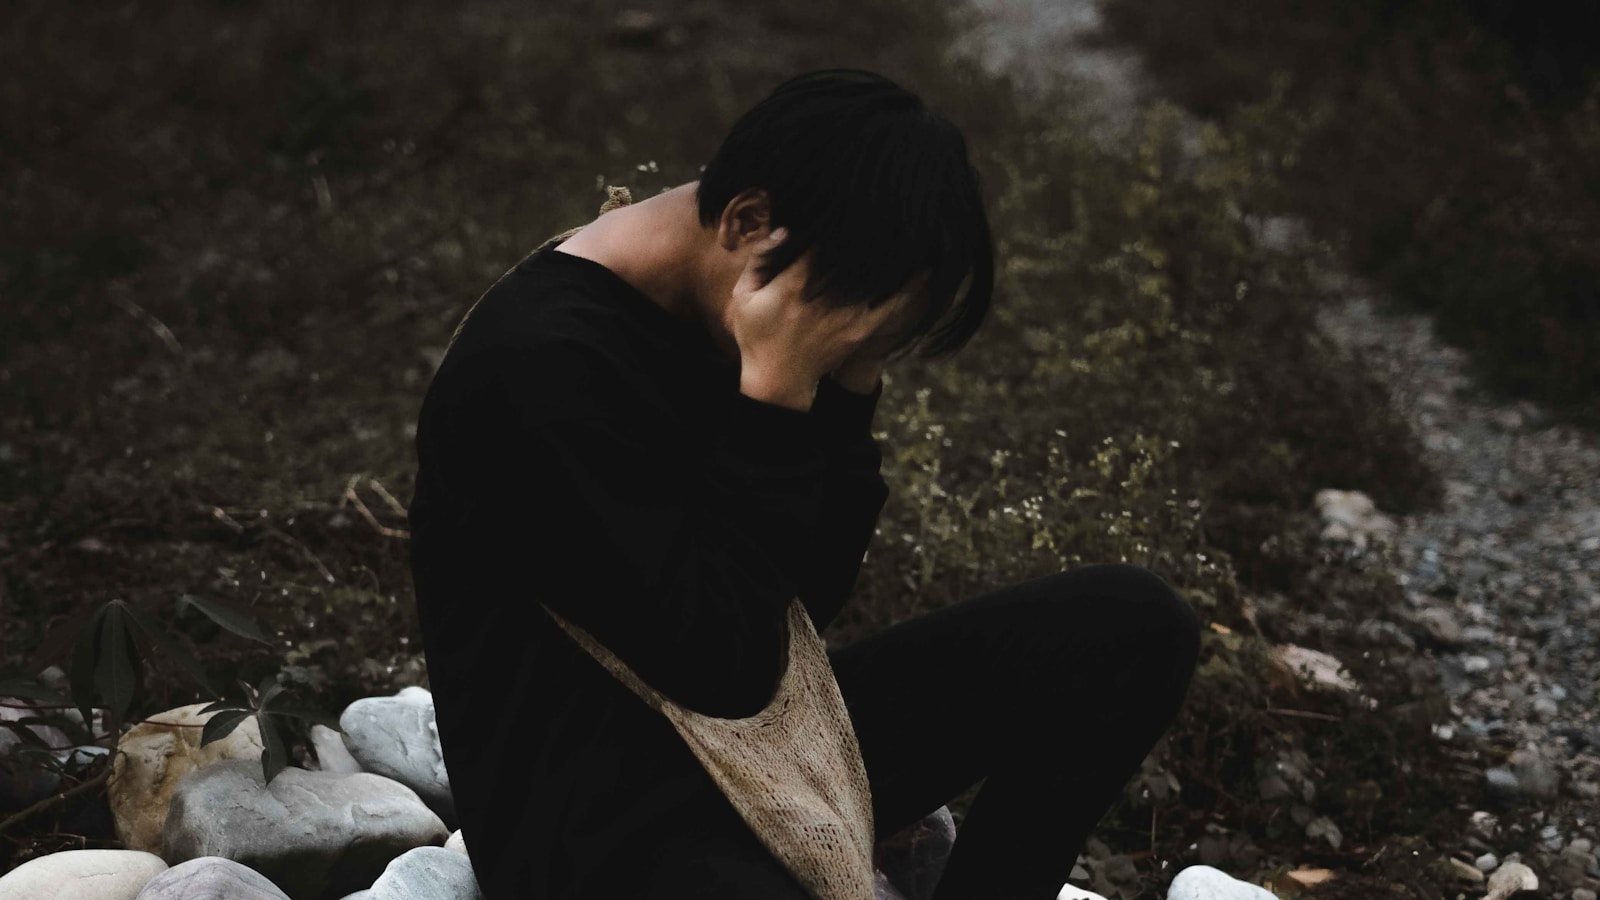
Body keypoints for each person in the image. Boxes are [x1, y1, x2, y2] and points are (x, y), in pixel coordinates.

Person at [408, 68, 1201, 900]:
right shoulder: (539, 364)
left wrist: (847, 392)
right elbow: (722, 666)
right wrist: (780, 397)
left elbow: (795, 611)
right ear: (749, 221)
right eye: (848, 318)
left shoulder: (727, 301)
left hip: (759, 748)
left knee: (1135, 628)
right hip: (594, 820)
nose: (839, 344)